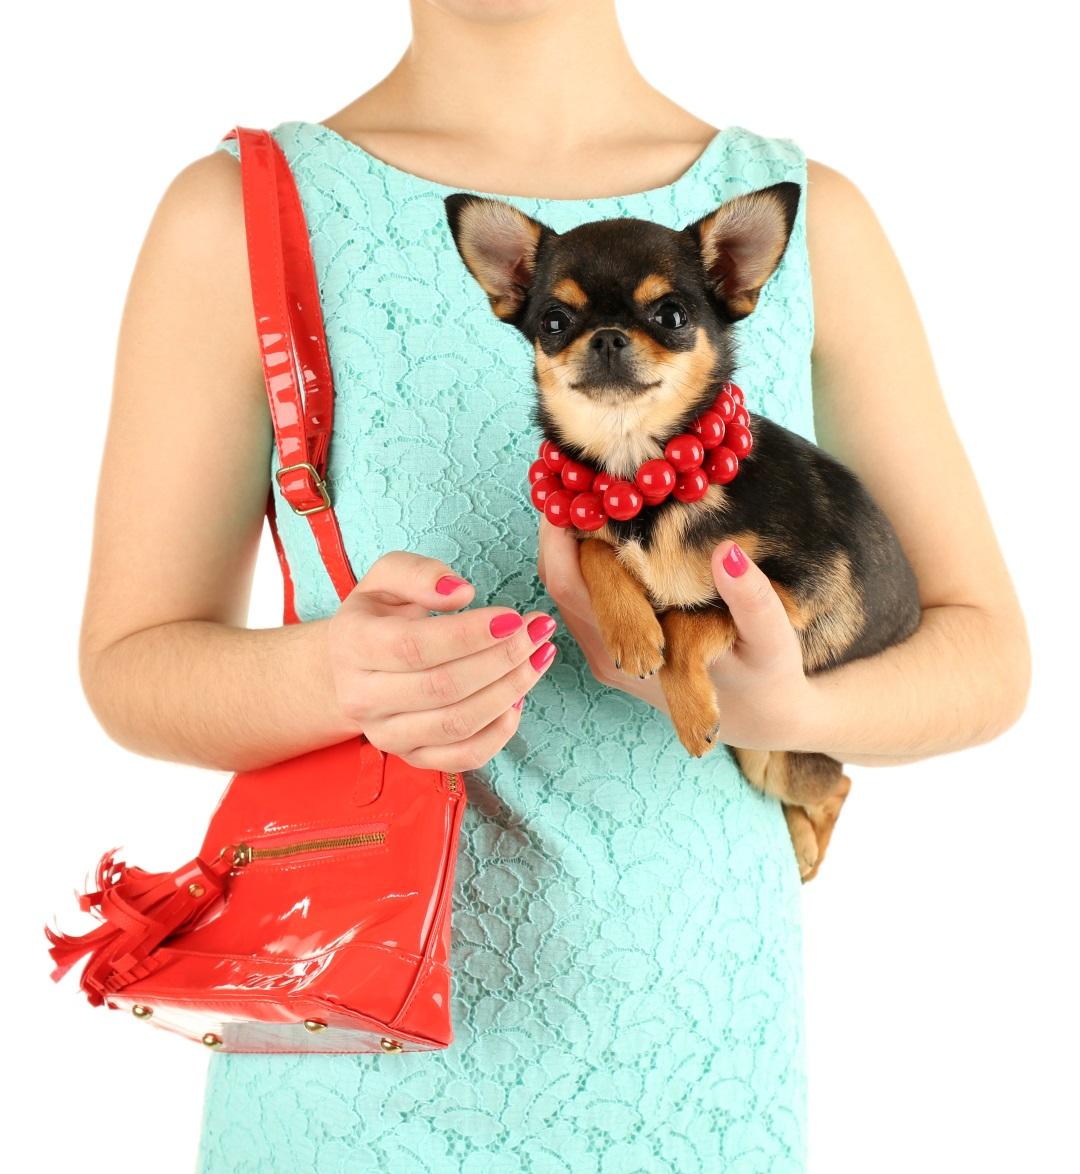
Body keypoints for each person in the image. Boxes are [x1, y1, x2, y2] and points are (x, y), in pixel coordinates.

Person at [78, 1, 1030, 1170]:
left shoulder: (804, 214)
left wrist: (785, 711)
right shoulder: (239, 215)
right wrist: (334, 673)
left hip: (702, 1067)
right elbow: (132, 666)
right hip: (361, 1089)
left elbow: (986, 656)